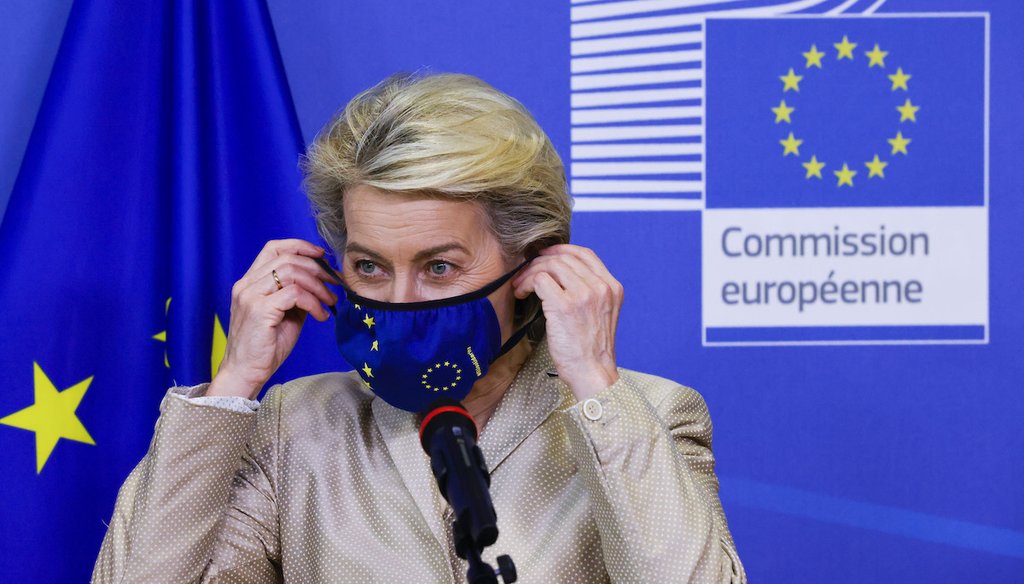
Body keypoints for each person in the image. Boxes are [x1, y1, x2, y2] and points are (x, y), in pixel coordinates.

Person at [93, 72, 746, 583]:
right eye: (370, 267)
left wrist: (596, 387)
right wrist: (235, 385)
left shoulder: (651, 416)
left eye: (438, 266)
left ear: (532, 264)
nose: (400, 301)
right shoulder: (295, 426)